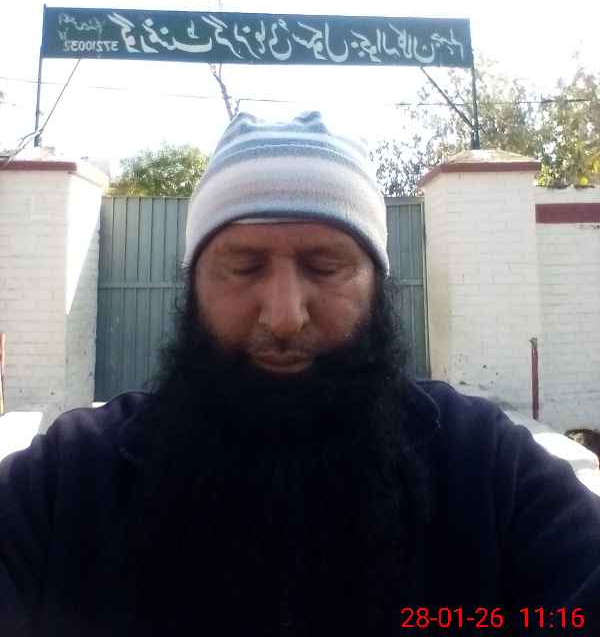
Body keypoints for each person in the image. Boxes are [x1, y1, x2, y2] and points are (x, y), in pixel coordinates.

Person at [1, 110, 599, 637]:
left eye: (325, 266)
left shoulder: (487, 473)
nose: (284, 317)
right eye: (243, 266)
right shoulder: (68, 484)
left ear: (378, 286)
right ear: (192, 285)